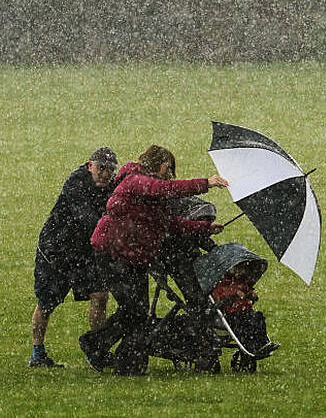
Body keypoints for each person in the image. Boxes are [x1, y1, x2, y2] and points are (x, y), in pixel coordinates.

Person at [79, 145, 228, 376]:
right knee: (134, 311)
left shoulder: (151, 196)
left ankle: (124, 362)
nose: (170, 174)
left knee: (138, 313)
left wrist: (205, 228)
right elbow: (167, 188)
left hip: (134, 257)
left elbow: (170, 224)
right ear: (161, 165)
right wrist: (206, 183)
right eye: (169, 169)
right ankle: (104, 350)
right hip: (112, 254)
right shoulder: (136, 181)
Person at [29, 147, 119, 368]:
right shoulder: (75, 184)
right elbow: (86, 219)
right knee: (47, 303)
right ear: (90, 165)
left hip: (84, 253)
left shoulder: (111, 186)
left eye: (110, 169)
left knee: (100, 295)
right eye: (101, 168)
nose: (105, 174)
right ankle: (37, 353)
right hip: (55, 253)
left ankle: (96, 350)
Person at [212, 262, 279, 358]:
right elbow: (219, 297)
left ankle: (263, 343)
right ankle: (252, 346)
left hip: (246, 312)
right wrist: (234, 294)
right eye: (238, 269)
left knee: (258, 317)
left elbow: (250, 296)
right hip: (232, 316)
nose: (241, 271)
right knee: (246, 325)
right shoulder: (222, 284)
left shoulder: (242, 282)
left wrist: (252, 295)